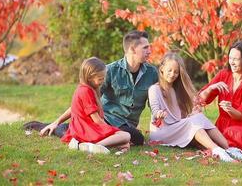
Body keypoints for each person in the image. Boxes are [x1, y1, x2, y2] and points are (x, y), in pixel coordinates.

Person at [24, 30, 158, 145]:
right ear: (132, 49)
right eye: (145, 48)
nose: (149, 51)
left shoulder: (152, 73)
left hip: (128, 124)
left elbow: (156, 103)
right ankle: (51, 127)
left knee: (137, 139)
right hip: (105, 119)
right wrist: (56, 121)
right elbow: (85, 99)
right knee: (131, 136)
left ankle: (80, 132)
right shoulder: (110, 71)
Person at [148, 53, 242, 162]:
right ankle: (216, 150)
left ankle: (228, 148)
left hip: (176, 127)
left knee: (198, 117)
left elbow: (196, 102)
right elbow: (155, 109)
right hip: (162, 132)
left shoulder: (177, 89)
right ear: (162, 69)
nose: (172, 74)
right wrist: (159, 114)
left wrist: (210, 88)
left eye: (176, 72)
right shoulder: (154, 89)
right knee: (192, 124)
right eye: (169, 70)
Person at [61, 57, 131, 154]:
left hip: (86, 128)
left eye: (104, 78)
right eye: (100, 79)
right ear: (89, 78)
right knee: (126, 136)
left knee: (125, 142)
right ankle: (94, 146)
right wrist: (111, 130)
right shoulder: (85, 91)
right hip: (85, 130)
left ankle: (96, 145)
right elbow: (97, 120)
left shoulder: (89, 89)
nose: (103, 81)